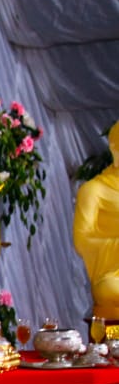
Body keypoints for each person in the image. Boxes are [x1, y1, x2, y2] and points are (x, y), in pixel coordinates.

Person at [72, 120, 119, 319]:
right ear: (114, 149)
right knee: (109, 288)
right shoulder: (94, 190)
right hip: (113, 275)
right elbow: (81, 241)